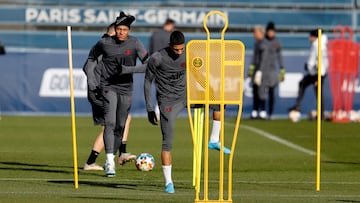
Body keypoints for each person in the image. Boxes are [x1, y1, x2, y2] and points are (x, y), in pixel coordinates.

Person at [91, 11, 148, 177]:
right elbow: (91, 59)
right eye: (119, 29)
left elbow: (148, 65)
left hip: (126, 89)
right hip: (108, 87)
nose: (121, 32)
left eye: (124, 29)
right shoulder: (104, 43)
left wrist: (128, 70)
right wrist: (92, 80)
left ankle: (113, 156)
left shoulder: (135, 43)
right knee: (109, 122)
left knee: (120, 126)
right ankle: (109, 162)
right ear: (115, 29)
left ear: (128, 30)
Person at [82, 23, 136, 170]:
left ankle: (118, 154)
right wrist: (98, 86)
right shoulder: (104, 46)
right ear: (113, 33)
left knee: (118, 121)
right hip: (100, 93)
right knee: (111, 125)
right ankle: (111, 156)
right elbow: (88, 67)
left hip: (104, 91)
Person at [144, 31, 186, 193]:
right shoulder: (157, 58)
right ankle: (169, 182)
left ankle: (214, 139)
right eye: (176, 50)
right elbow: (147, 82)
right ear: (170, 46)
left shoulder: (188, 54)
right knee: (167, 141)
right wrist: (149, 108)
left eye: (182, 49)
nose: (179, 53)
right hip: (167, 102)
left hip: (185, 96)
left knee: (217, 103)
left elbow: (199, 72)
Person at [289, 29, 328, 118]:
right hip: (314, 72)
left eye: (310, 36)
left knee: (318, 92)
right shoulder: (320, 44)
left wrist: (317, 73)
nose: (309, 38)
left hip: (317, 73)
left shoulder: (318, 45)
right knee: (303, 84)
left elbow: (320, 60)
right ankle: (298, 106)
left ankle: (320, 114)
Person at [256, 21, 285, 119]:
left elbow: (280, 56)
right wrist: (256, 69)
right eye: (269, 31)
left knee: (272, 91)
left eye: (272, 31)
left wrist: (282, 68)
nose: (271, 33)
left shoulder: (277, 42)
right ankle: (262, 110)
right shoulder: (262, 42)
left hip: (272, 70)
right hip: (263, 70)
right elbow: (257, 57)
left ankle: (271, 113)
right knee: (261, 91)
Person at [148, 18, 176, 120]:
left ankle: (158, 109)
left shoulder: (155, 34)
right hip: (167, 64)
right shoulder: (170, 35)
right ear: (170, 24)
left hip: (155, 64)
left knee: (159, 87)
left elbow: (150, 50)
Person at [248, 25, 265, 119]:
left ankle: (262, 111)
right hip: (256, 69)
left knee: (261, 91)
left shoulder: (265, 43)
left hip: (262, 71)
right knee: (255, 90)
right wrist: (252, 69)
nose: (254, 34)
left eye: (255, 32)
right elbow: (255, 58)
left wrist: (260, 71)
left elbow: (265, 59)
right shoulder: (257, 43)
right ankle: (255, 111)